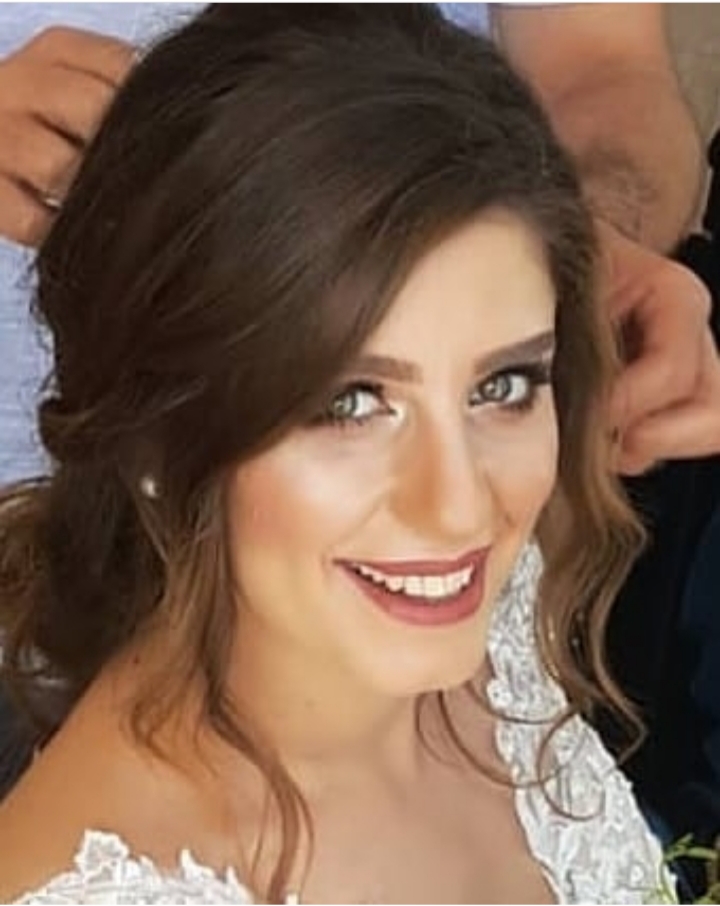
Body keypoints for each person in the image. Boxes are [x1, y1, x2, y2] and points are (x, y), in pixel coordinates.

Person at [0, 5, 674, 902]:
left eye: (504, 384)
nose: (462, 509)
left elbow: (606, 61)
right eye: (348, 404)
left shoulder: (494, 608)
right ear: (154, 430)